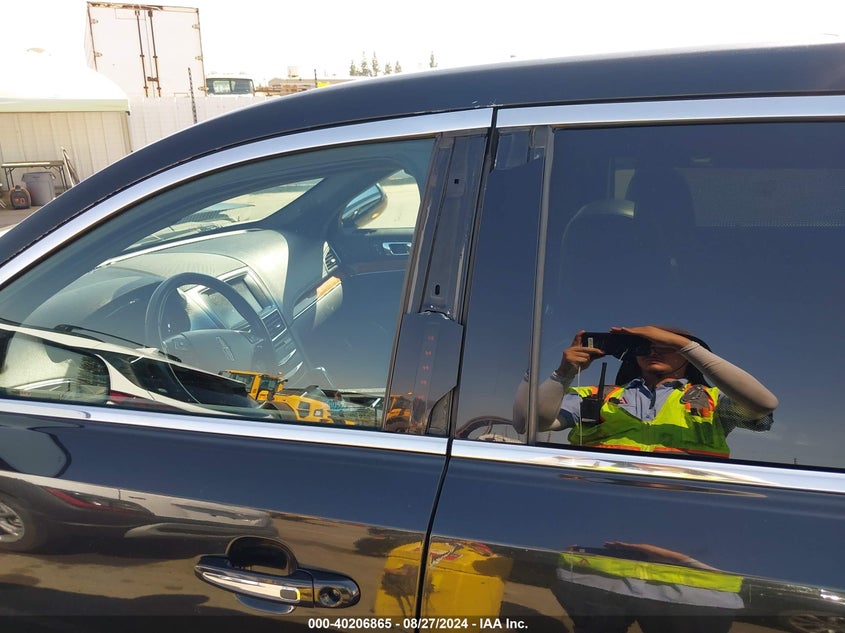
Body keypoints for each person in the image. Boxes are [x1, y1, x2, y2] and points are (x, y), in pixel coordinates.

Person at [515, 325, 778, 457]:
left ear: (688, 356)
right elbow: (533, 423)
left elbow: (763, 404)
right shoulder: (597, 395)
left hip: (688, 509)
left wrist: (684, 344)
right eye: (645, 346)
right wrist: (564, 373)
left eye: (665, 346)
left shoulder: (712, 400)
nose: (654, 351)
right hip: (599, 502)